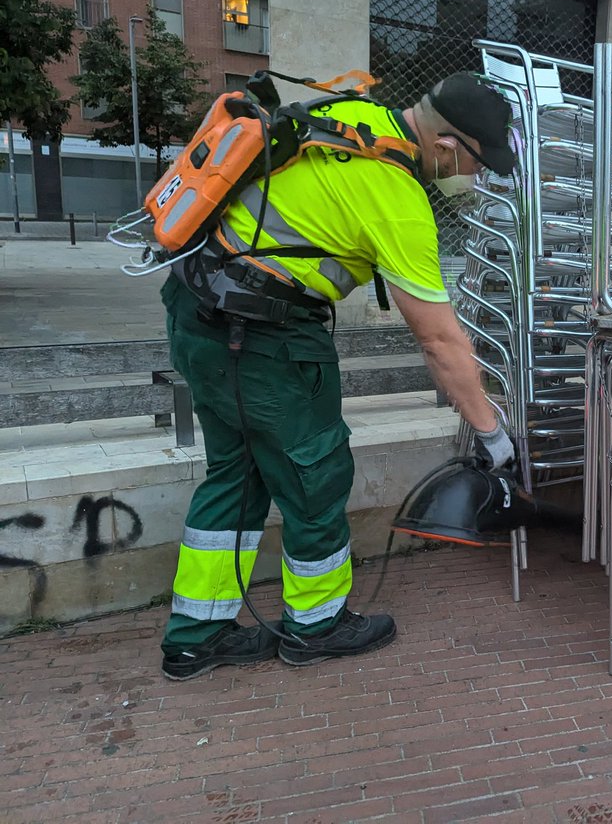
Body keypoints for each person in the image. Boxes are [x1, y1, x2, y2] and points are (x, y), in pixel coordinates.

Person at [159, 72, 517, 680]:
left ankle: (197, 635)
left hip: (199, 308)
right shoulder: (396, 196)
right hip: (264, 336)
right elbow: (438, 339)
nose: (475, 180)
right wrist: (491, 433)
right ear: (450, 146)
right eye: (478, 166)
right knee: (315, 474)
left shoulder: (358, 114)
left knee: (238, 472)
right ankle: (318, 627)